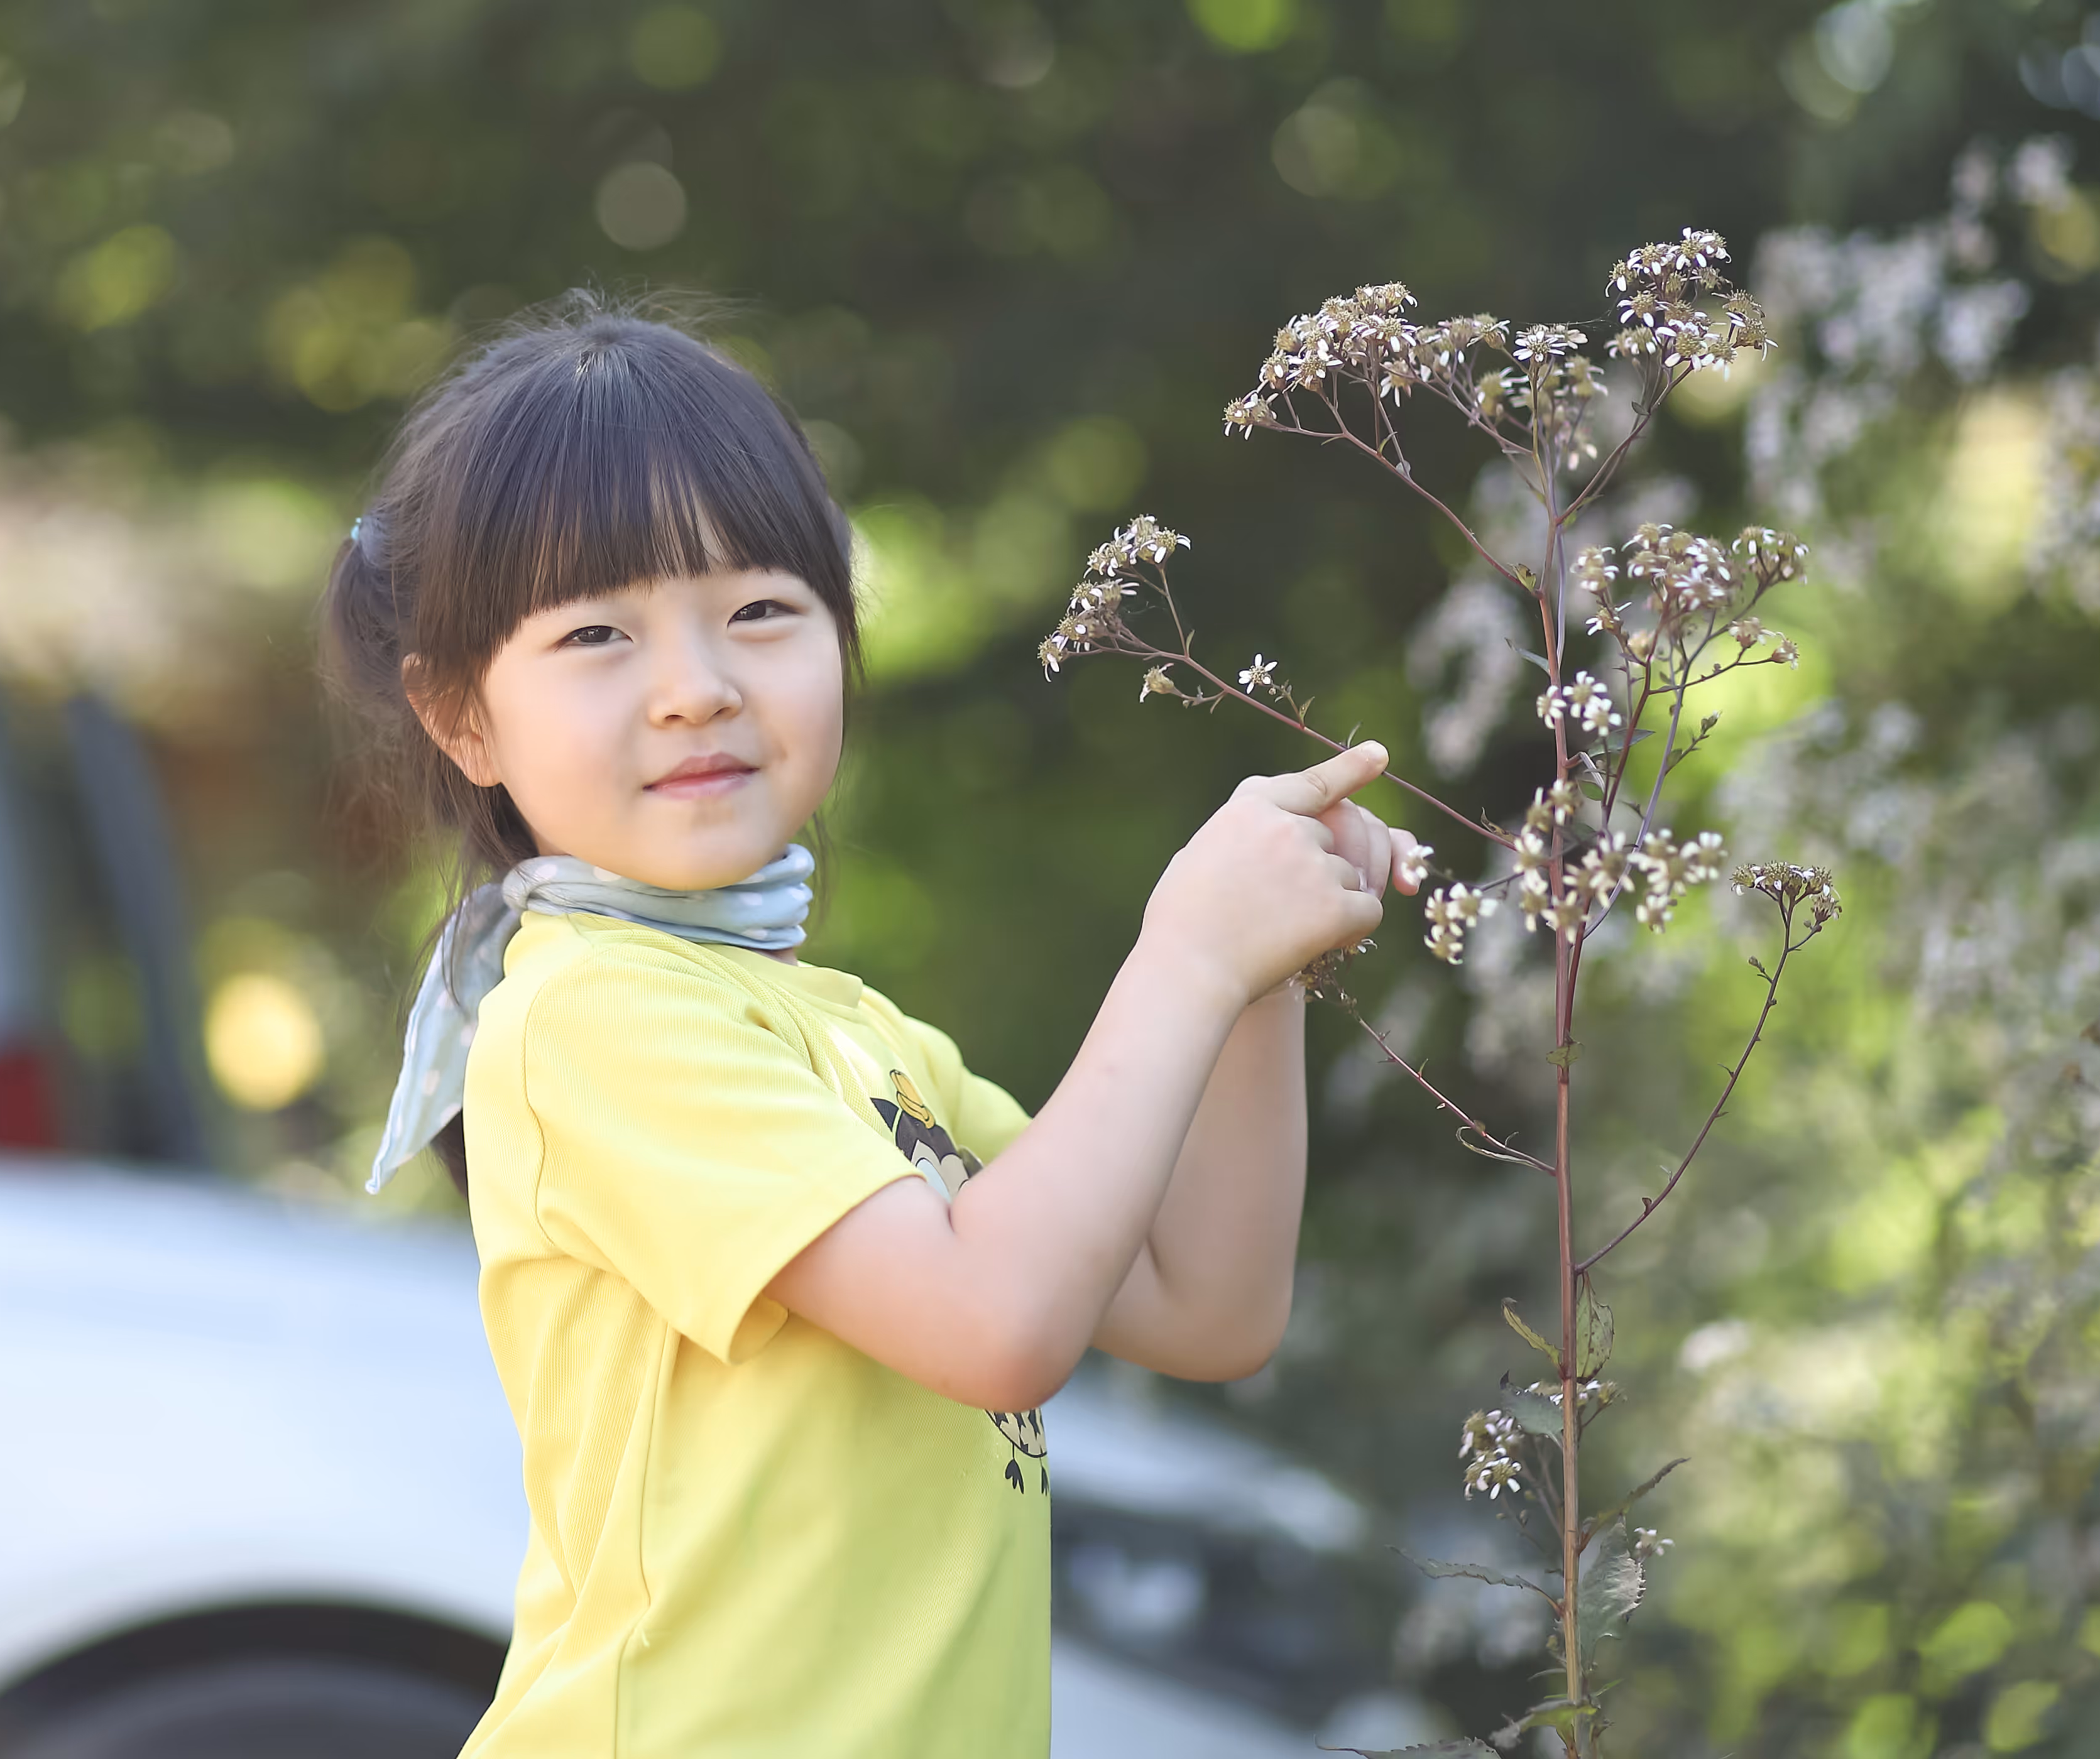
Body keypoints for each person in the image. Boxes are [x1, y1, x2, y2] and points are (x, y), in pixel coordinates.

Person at [320, 291, 1418, 1759]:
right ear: (462, 719)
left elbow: (1203, 1304)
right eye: (597, 633)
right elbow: (997, 1322)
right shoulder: (592, 1016)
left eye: (761, 611)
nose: (696, 688)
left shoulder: (845, 1031)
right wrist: (1184, 949)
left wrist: (1258, 971)